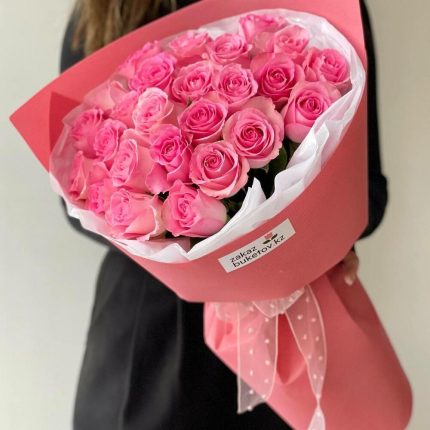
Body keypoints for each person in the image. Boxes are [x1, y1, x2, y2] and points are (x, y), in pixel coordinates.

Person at [60, 1, 388, 429]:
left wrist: (275, 237)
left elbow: (367, 191)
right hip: (155, 338)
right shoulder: (107, 10)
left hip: (289, 319)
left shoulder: (323, 9)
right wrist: (185, 228)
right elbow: (77, 196)